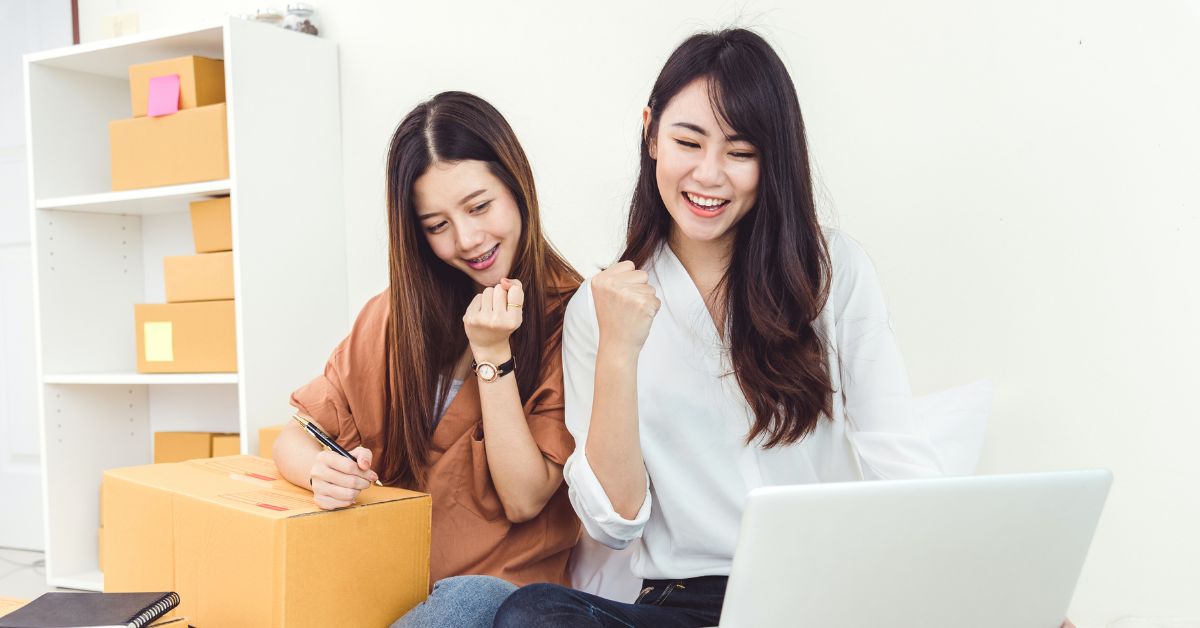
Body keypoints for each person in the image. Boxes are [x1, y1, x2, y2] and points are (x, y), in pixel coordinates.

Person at [494, 29, 1072, 627]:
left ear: (772, 160)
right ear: (650, 133)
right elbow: (614, 524)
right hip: (690, 604)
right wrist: (619, 349)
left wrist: (999, 592)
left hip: (825, 594)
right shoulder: (602, 305)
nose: (709, 175)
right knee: (531, 615)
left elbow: (896, 460)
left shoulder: (829, 271)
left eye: (740, 153)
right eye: (688, 142)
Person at [271, 91, 582, 628]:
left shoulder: (570, 317)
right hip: (387, 589)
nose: (468, 240)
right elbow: (294, 437)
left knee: (467, 605)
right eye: (437, 225)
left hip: (498, 599)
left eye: (480, 206)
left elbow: (526, 496)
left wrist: (492, 356)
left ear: (517, 187)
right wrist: (321, 472)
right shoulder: (394, 316)